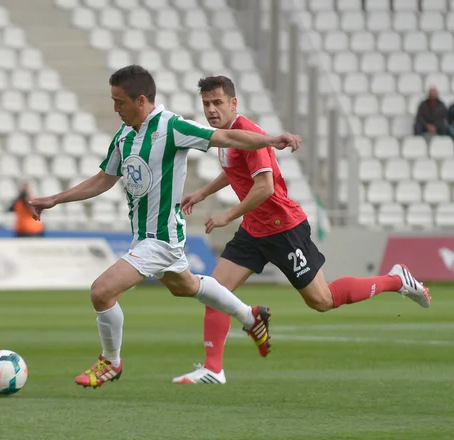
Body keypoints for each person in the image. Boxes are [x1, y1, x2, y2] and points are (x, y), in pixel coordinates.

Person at [28, 65, 301, 388]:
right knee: (185, 286)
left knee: (101, 292)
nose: (115, 108)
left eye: (120, 102)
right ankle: (250, 316)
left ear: (141, 100)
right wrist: (56, 199)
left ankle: (110, 362)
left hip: (162, 238)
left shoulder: (171, 127)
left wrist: (272, 139)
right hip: (143, 236)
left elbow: (226, 137)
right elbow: (104, 179)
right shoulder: (125, 135)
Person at [172, 75, 432, 385]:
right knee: (214, 291)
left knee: (321, 300)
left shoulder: (248, 133)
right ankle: (213, 369)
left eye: (217, 103)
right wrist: (202, 193)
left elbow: (265, 187)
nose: (211, 110)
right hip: (255, 229)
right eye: (206, 104)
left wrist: (228, 214)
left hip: (283, 227)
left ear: (233, 103)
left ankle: (396, 280)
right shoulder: (225, 136)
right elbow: (235, 172)